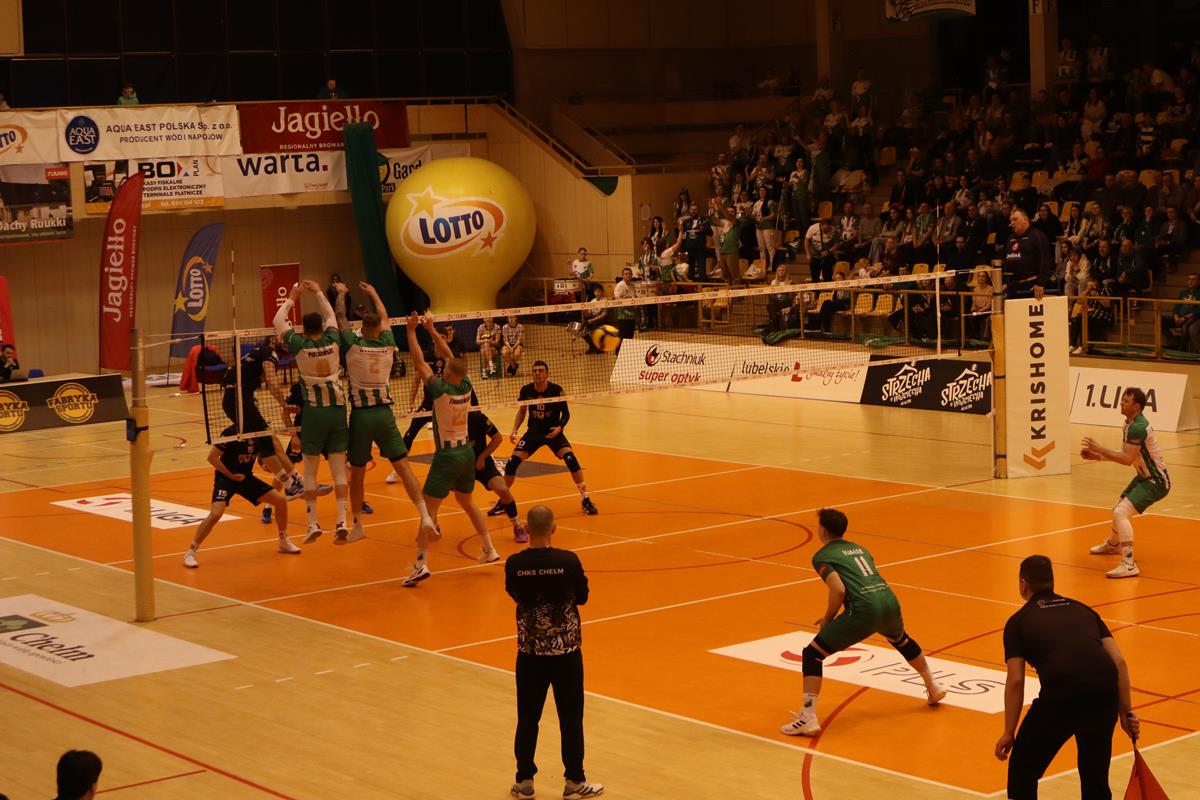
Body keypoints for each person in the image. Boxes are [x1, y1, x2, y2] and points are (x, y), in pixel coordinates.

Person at [781, 508, 945, 736]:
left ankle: (808, 717)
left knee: (812, 654)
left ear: (823, 530)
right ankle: (933, 686)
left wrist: (828, 618)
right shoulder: (860, 549)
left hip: (865, 609)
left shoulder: (822, 556)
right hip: (889, 601)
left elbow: (838, 589)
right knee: (901, 640)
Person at [995, 556, 1138, 799]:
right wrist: (1126, 713)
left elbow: (1016, 680)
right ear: (1052, 581)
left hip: (1061, 697)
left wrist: (1009, 731)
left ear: (1023, 584)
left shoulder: (1018, 622)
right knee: (1095, 777)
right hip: (1104, 696)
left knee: (1022, 771)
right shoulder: (1084, 610)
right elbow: (1119, 663)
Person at [506, 505, 603, 800]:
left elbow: (515, 594)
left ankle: (524, 781)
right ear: (554, 528)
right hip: (566, 653)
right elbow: (583, 597)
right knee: (571, 718)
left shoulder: (514, 563)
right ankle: (574, 781)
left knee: (527, 718)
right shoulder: (568, 561)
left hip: (530, 653)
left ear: (527, 528)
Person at [402, 312, 499, 587]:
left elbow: (420, 363)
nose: (443, 369)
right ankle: (489, 548)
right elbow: (450, 357)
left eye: (445, 369)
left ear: (447, 373)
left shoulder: (440, 390)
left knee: (428, 511)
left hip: (447, 456)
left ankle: (420, 563)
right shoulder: (466, 385)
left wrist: (412, 331)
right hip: (467, 454)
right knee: (467, 502)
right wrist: (432, 330)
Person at [335, 281, 435, 544]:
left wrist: (341, 293)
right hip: (384, 415)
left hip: (361, 416)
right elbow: (386, 317)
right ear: (378, 328)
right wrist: (375, 293)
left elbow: (340, 317)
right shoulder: (388, 344)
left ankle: (358, 526)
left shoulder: (353, 345)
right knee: (403, 467)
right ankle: (425, 516)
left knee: (357, 473)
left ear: (362, 328)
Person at [274, 280, 350, 544]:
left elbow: (278, 320)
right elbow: (331, 316)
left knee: (309, 472)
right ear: (322, 328)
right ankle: (342, 521)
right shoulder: (333, 339)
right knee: (339, 471)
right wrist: (318, 292)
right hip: (338, 410)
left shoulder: (299, 344)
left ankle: (313, 523)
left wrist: (292, 296)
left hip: (315, 414)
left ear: (304, 330)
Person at [1082, 387, 1170, 578]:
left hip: (1156, 481)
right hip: (1144, 477)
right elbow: (1126, 454)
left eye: (1126, 401)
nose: (1121, 403)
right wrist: (1098, 457)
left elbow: (1126, 459)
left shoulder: (1138, 427)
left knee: (1121, 512)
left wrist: (1100, 449)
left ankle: (1129, 564)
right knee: (1117, 508)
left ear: (1136, 406)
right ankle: (1113, 545)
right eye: (1122, 399)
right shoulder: (1129, 423)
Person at [183, 424, 300, 567]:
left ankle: (283, 541)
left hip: (246, 478)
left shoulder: (259, 432)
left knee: (280, 501)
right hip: (226, 478)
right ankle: (191, 552)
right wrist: (231, 476)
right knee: (216, 513)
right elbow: (212, 457)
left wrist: (264, 463)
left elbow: (264, 455)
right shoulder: (230, 433)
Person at [499, 360, 598, 517]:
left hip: (553, 432)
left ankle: (586, 499)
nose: (537, 373)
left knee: (571, 459)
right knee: (512, 463)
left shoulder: (556, 390)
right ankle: (503, 501)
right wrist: (515, 429)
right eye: (535, 371)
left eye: (540, 370)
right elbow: (522, 411)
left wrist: (560, 427)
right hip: (534, 432)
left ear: (547, 374)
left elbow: (566, 414)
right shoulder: (526, 390)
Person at [220, 335, 307, 502]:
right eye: (284, 339)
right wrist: (284, 404)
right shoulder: (269, 352)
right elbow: (271, 382)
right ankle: (290, 485)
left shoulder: (258, 353)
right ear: (273, 339)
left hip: (239, 399)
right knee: (267, 441)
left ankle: (298, 481)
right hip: (238, 399)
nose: (287, 343)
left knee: (272, 441)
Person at [470, 406, 528, 543]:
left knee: (503, 489)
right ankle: (433, 522)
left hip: (482, 462)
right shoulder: (448, 420)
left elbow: (498, 438)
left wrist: (482, 457)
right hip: (460, 463)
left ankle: (517, 525)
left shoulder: (478, 418)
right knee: (437, 491)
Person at [1003, 209, 1051, 300]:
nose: (1012, 223)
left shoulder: (1037, 236)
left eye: (1015, 219)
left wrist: (1040, 283)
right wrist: (1005, 282)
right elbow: (1007, 260)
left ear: (1025, 220)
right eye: (1011, 220)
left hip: (1031, 287)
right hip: (1012, 288)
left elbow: (1045, 260)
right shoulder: (1010, 239)